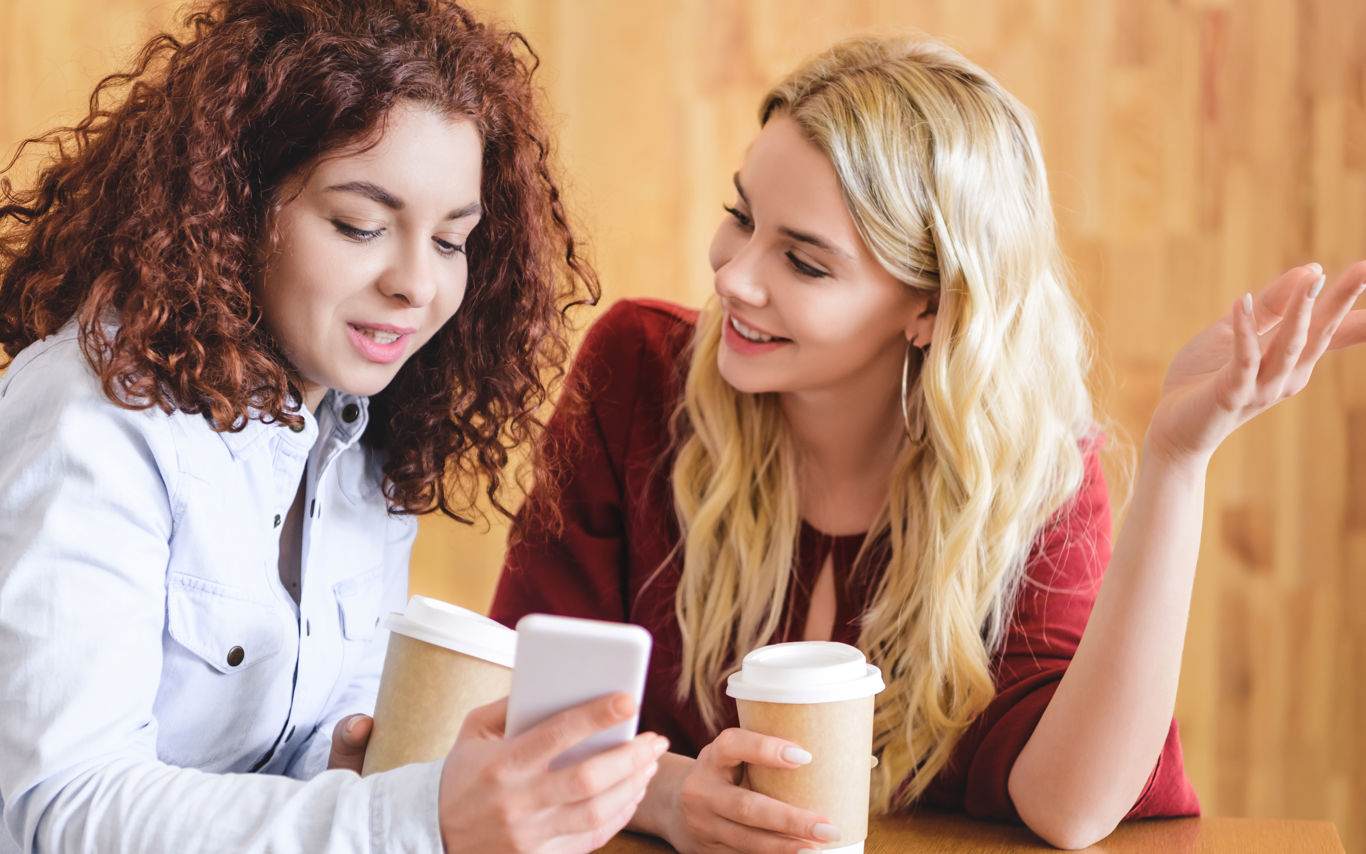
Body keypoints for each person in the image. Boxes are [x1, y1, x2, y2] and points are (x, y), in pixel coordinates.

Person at [488, 35, 1366, 852]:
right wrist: (672, 798)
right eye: (741, 216)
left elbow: (1073, 808)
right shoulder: (638, 375)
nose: (733, 275)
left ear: (931, 308)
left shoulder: (1024, 475)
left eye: (804, 261)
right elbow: (515, 714)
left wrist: (1178, 459)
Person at [0, 1, 667, 852]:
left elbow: (296, 769)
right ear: (235, 206)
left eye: (453, 240)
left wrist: (360, 774)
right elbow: (60, 808)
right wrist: (414, 817)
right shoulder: (90, 422)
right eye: (361, 226)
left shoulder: (361, 430)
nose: (417, 286)